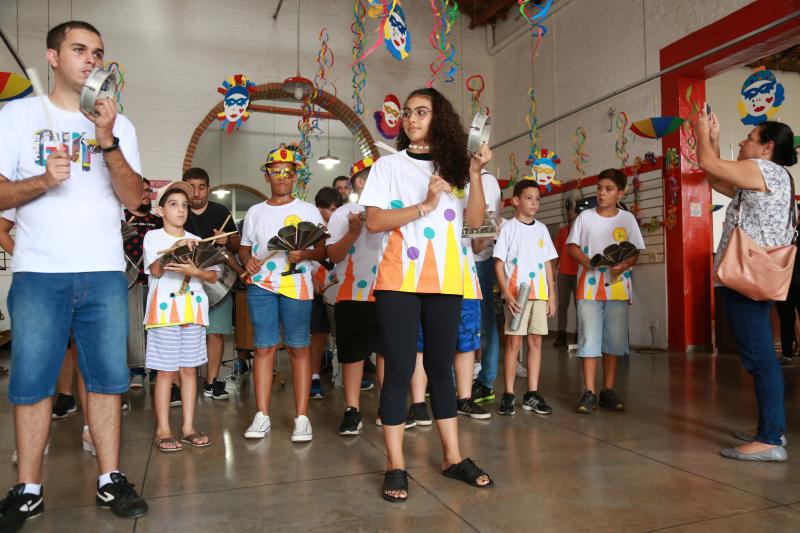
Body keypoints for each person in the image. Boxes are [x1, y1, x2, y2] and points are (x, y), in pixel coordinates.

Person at [0, 20, 148, 530]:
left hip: (104, 272)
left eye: (98, 52)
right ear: (53, 57)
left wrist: (106, 141)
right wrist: (42, 180)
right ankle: (29, 489)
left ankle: (110, 479)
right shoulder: (17, 116)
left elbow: (135, 200)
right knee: (32, 383)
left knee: (108, 381)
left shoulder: (117, 123)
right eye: (80, 50)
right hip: (40, 271)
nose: (91, 60)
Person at [360, 87, 493, 502]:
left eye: (421, 112)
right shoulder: (387, 167)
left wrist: (472, 175)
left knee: (442, 369)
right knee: (399, 368)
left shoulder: (455, 170)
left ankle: (453, 458)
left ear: (441, 119)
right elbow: (375, 222)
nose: (411, 119)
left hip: (448, 280)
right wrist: (424, 204)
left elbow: (476, 231)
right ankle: (395, 465)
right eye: (407, 113)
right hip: (400, 280)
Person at [696, 112, 796, 462]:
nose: (743, 142)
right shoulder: (770, 176)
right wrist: (712, 137)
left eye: (750, 137)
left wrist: (700, 132)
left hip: (746, 281)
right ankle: (770, 429)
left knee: (761, 360)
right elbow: (713, 175)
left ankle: (770, 440)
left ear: (767, 148)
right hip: (750, 277)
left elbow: (707, 161)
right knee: (760, 357)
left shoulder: (765, 171)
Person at [239, 146, 327, 442]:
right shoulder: (255, 212)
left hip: (297, 283)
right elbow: (244, 245)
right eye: (275, 171)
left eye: (287, 172)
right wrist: (246, 260)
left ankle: (301, 418)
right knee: (263, 348)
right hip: (261, 284)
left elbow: (323, 249)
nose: (282, 177)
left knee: (298, 348)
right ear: (267, 175)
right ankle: (262, 415)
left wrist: (305, 254)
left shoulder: (308, 210)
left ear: (295, 176)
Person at [144, 182, 218, 452]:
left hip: (194, 311)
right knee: (165, 371)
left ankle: (188, 427)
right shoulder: (153, 237)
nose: (181, 209)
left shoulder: (197, 241)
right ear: (161, 210)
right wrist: (176, 247)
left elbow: (213, 275)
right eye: (174, 204)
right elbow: (155, 270)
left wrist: (195, 270)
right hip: (164, 313)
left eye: (185, 205)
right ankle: (163, 429)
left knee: (189, 370)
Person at [567, 169, 645, 415]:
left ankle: (608, 390)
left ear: (620, 193)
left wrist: (624, 265)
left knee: (614, 340)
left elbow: (634, 251)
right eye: (599, 188)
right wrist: (589, 263)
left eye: (608, 189)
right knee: (589, 338)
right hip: (588, 288)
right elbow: (572, 247)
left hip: (618, 288)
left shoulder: (628, 219)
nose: (602, 193)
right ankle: (589, 391)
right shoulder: (585, 217)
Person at [325, 157, 386, 434]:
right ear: (360, 182)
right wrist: (352, 232)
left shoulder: (393, 209)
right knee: (352, 355)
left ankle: (388, 406)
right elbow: (333, 255)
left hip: (390, 290)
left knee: (388, 353)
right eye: (375, 174)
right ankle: (352, 410)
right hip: (352, 294)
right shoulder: (343, 214)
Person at [494, 180, 557, 416]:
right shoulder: (509, 228)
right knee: (513, 342)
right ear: (516, 201)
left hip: (539, 294)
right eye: (529, 198)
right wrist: (506, 293)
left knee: (536, 342)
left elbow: (548, 263)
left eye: (538, 199)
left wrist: (552, 294)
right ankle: (509, 393)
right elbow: (499, 264)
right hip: (516, 297)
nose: (534, 203)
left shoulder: (541, 229)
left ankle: (532, 394)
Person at [182, 167, 240, 401]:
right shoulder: (178, 209)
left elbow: (237, 244)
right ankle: (178, 385)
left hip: (218, 282)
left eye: (201, 187)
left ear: (208, 188)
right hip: (184, 279)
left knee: (215, 333)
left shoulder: (220, 211)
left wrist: (227, 239)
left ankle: (212, 382)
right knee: (182, 331)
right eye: (191, 187)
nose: (196, 193)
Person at [125, 177, 163, 388]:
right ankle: (136, 370)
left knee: (155, 326)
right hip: (130, 282)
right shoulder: (121, 219)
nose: (146, 195)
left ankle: (157, 369)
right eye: (141, 191)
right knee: (133, 328)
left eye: (148, 191)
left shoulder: (158, 221)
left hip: (156, 279)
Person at [471, 169, 502, 403]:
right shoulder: (452, 176)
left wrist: (478, 246)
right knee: (458, 322)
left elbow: (489, 217)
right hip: (456, 260)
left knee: (485, 321)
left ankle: (485, 381)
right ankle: (450, 378)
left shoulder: (486, 179)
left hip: (479, 261)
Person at [309, 186, 341, 399]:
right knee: (318, 333)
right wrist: (313, 279)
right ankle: (314, 377)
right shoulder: (312, 230)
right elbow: (308, 256)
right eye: (331, 209)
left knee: (342, 333)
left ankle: (348, 372)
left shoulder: (343, 227)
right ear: (319, 210)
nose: (335, 212)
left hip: (337, 286)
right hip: (314, 287)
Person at [552, 199, 579, 348]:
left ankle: (579, 334)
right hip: (563, 274)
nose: (569, 212)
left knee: (579, 306)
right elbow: (555, 253)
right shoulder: (563, 232)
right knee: (562, 306)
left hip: (578, 274)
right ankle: (561, 335)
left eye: (573, 209)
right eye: (568, 209)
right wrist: (554, 272)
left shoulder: (582, 230)